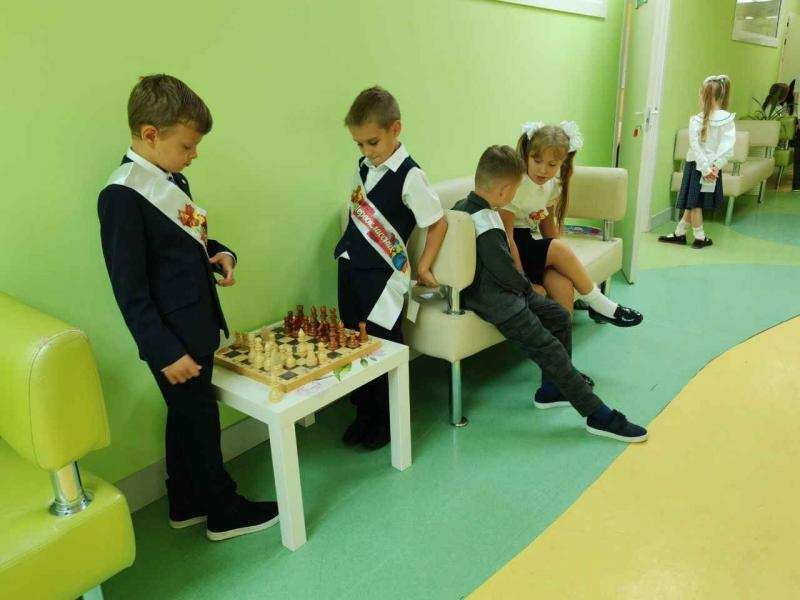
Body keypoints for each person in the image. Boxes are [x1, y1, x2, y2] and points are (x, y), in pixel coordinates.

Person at [98, 74, 278, 541]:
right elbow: (129, 290)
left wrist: (220, 252)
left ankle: (184, 500)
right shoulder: (121, 196)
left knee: (185, 417)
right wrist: (164, 351)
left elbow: (188, 241)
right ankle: (224, 510)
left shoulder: (173, 179)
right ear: (150, 135)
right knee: (200, 422)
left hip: (195, 325)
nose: (193, 154)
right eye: (186, 145)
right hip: (171, 340)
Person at [452, 145, 648, 442]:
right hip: (500, 302)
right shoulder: (484, 223)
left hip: (504, 292)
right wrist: (528, 289)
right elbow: (503, 271)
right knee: (549, 347)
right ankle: (598, 416)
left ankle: (552, 389)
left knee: (558, 316)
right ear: (504, 191)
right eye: (515, 190)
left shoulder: (466, 206)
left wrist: (525, 289)